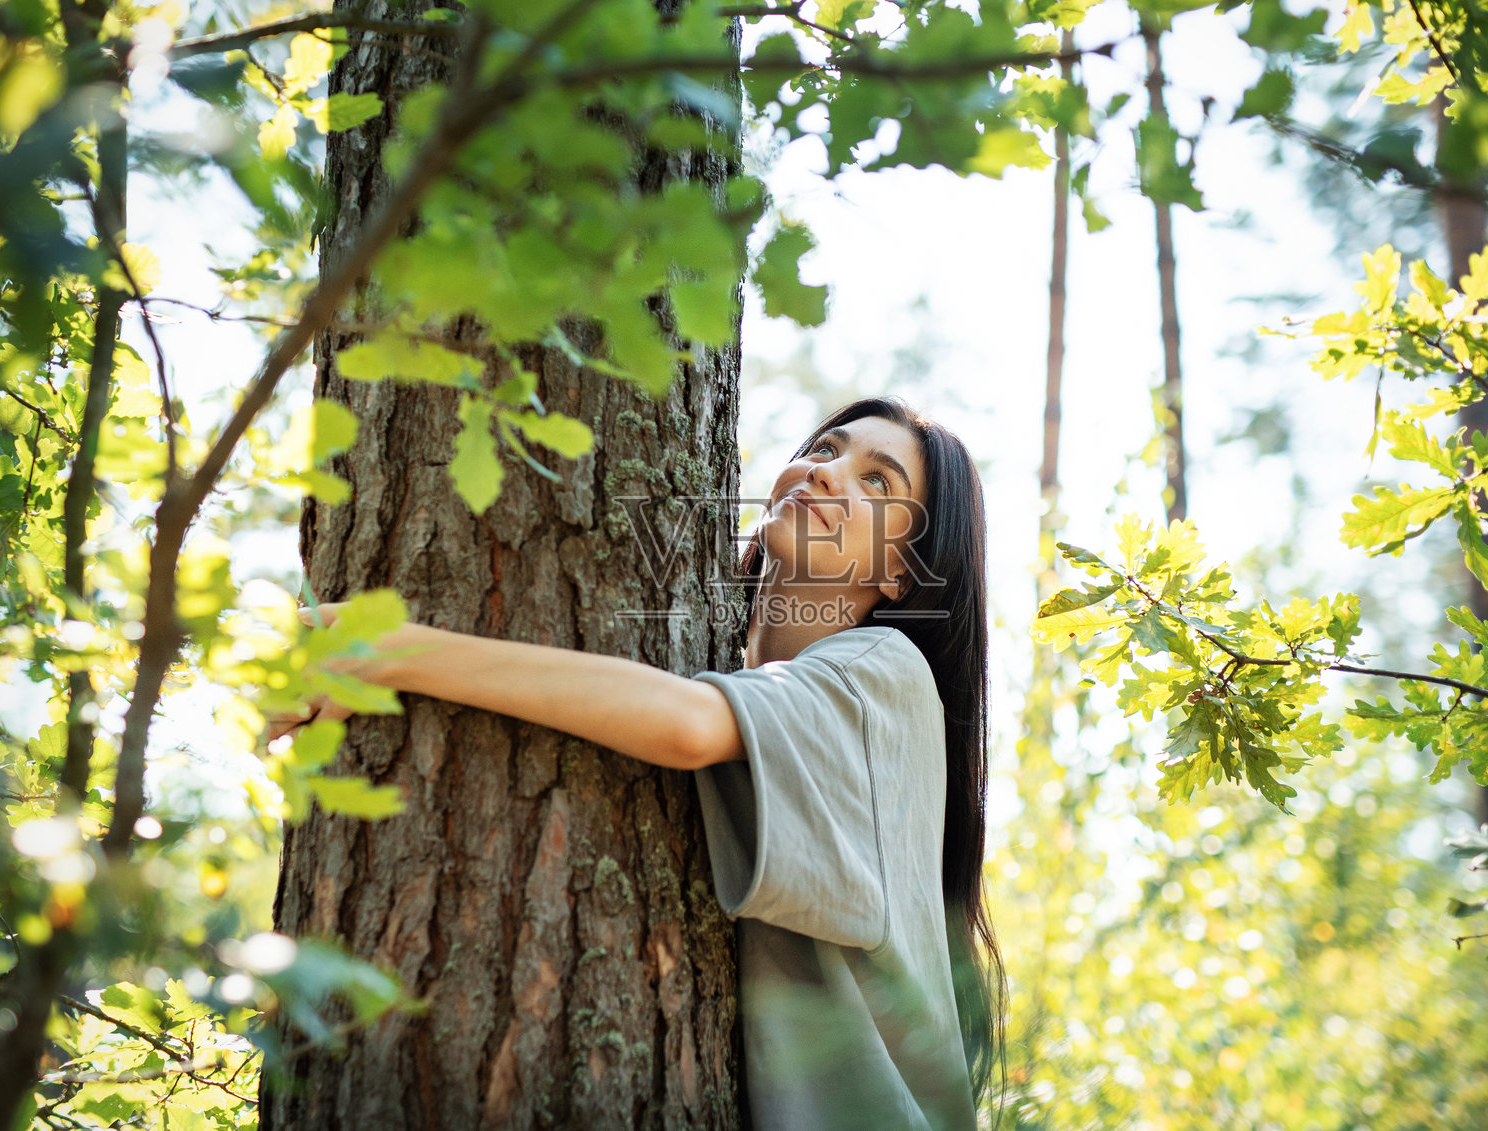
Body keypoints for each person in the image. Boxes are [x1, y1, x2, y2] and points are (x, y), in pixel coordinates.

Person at [266, 395, 1006, 1129]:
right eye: (824, 450)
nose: (827, 472)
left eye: (878, 481)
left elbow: (686, 725)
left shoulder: (888, 670)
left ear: (902, 574)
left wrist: (390, 650)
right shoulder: (742, 680)